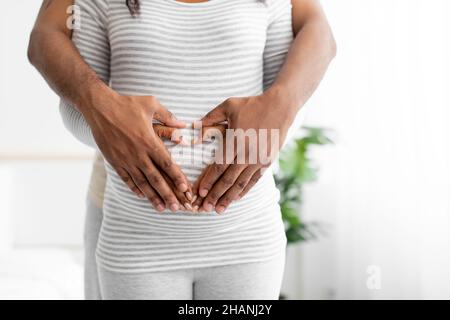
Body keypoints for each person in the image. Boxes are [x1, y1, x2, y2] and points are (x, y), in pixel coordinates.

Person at [28, 0, 336, 300]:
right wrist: (114, 130)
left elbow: (288, 99)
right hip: (136, 239)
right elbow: (51, 50)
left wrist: (269, 129)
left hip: (245, 238)